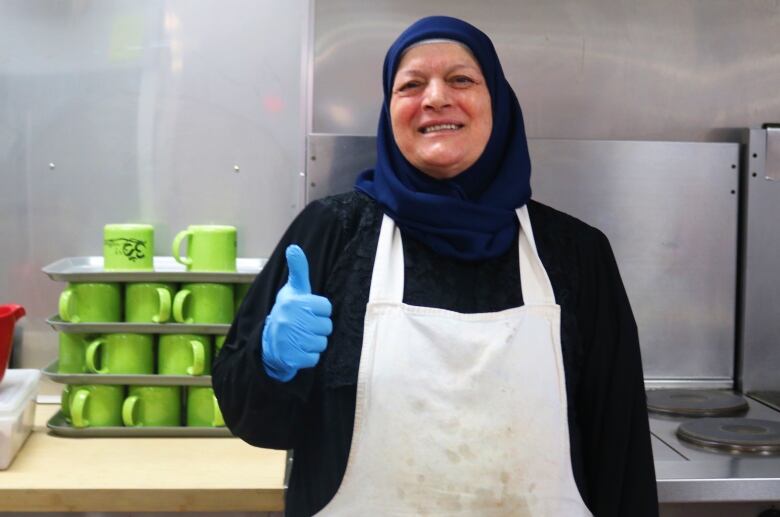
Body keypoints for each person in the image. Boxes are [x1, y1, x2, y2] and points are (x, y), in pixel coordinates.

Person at [213, 15, 658, 517]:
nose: (435, 98)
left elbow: (620, 455)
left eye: (462, 79)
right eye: (412, 85)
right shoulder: (331, 234)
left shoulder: (576, 255)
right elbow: (256, 422)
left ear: (500, 104)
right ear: (391, 110)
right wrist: (272, 367)